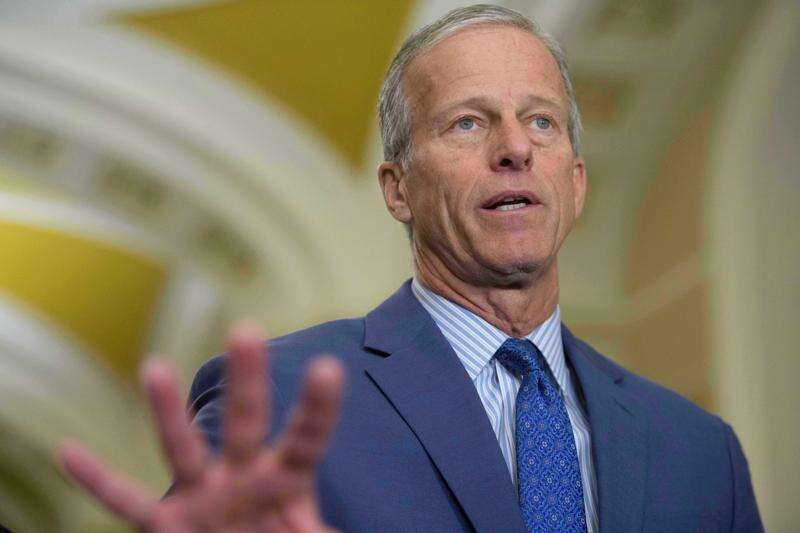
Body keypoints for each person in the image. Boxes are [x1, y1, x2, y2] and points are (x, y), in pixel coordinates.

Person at [58, 4, 763, 532]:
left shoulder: (703, 453)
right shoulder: (280, 400)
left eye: (542, 121)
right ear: (398, 190)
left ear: (576, 182)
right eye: (468, 122)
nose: (515, 147)